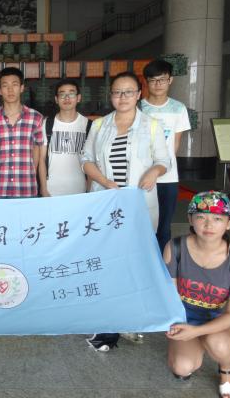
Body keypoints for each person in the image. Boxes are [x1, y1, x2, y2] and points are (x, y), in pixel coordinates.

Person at [81, 71, 170, 352]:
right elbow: (86, 159)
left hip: (138, 205)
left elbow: (164, 160)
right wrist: (105, 182)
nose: (123, 97)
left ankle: (130, 318)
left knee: (134, 262)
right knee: (106, 261)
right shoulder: (99, 125)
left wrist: (154, 171)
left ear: (139, 94)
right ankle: (106, 324)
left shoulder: (152, 125)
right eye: (117, 92)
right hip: (105, 203)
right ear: (111, 96)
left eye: (128, 91)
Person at [165, 191, 230, 398]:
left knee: (219, 344)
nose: (208, 225)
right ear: (190, 219)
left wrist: (197, 332)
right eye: (201, 217)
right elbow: (169, 296)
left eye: (217, 219)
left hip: (222, 320)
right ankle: (197, 343)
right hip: (185, 318)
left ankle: (227, 370)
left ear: (229, 223)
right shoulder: (175, 248)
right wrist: (179, 326)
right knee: (182, 367)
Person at [140, 59, 192, 252]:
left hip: (168, 176)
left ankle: (162, 263)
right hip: (140, 175)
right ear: (146, 82)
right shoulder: (138, 107)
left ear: (170, 80)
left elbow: (175, 143)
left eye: (162, 79)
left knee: (164, 226)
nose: (158, 84)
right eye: (153, 80)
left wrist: (163, 165)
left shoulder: (179, 108)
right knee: (141, 223)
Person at [0, 67, 44, 198]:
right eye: (5, 85)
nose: (10, 90)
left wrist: (30, 172)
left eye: (15, 84)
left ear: (22, 88)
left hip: (27, 188)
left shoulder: (36, 117)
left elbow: (37, 150)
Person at [38, 78, 89, 196]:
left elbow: (92, 162)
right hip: (51, 190)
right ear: (56, 99)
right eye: (62, 94)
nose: (67, 98)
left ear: (79, 98)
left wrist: (89, 190)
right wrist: (44, 188)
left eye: (71, 93)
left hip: (80, 190)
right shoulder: (47, 124)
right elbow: (41, 159)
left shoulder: (88, 125)